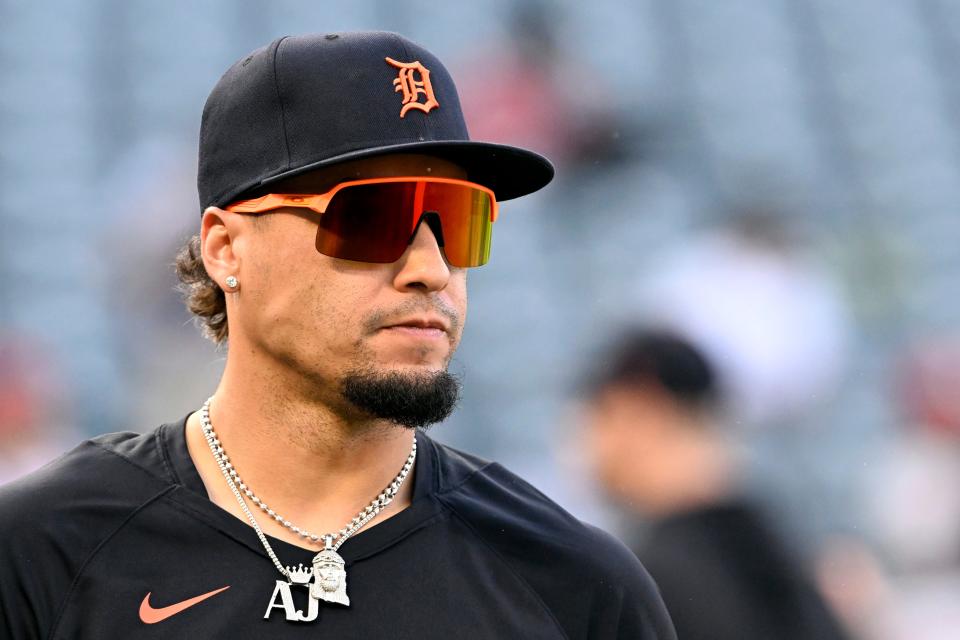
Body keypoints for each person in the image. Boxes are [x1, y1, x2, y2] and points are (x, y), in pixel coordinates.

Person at [0, 32, 675, 639]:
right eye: (374, 219)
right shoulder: (41, 549)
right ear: (226, 249)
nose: (431, 269)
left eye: (459, 222)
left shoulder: (576, 586)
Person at [580, 328, 850, 640]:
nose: (590, 442)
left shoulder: (655, 572)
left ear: (639, 406)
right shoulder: (771, 542)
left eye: (602, 413)